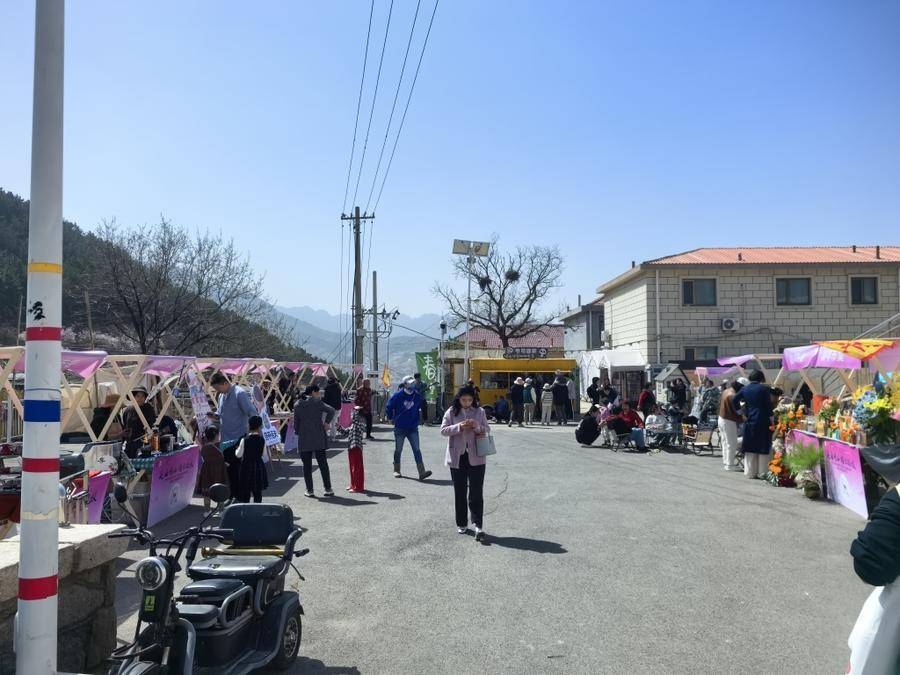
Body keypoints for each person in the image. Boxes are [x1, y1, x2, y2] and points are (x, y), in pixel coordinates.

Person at [440, 386, 490, 541]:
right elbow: (443, 430)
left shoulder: (480, 411)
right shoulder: (451, 412)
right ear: (459, 399)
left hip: (477, 457)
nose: (467, 403)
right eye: (464, 400)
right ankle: (461, 523)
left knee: (476, 492)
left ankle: (478, 524)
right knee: (460, 491)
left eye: (470, 400)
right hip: (457, 457)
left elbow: (487, 429)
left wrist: (477, 426)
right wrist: (459, 427)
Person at [386, 376, 432, 480]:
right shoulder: (397, 395)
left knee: (417, 449)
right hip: (400, 427)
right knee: (398, 449)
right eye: (410, 383)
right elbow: (389, 406)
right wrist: (390, 417)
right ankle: (396, 470)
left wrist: (418, 419)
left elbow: (420, 406)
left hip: (413, 428)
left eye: (413, 383)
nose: (412, 385)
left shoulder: (417, 395)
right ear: (405, 384)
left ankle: (422, 472)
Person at [293, 384, 335, 498]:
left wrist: (299, 432)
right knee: (323, 464)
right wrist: (327, 422)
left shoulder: (297, 405)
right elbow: (331, 410)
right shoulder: (317, 402)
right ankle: (328, 489)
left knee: (307, 466)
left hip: (304, 436)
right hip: (318, 435)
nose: (319, 394)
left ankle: (310, 490)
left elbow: (296, 424)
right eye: (318, 392)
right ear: (312, 392)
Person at [731, 370, 772, 479]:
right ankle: (762, 472)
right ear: (761, 378)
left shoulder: (745, 389)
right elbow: (768, 406)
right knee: (763, 446)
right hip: (763, 420)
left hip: (749, 420)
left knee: (750, 446)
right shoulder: (764, 389)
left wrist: (741, 414)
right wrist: (772, 419)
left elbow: (734, 400)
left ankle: (750, 472)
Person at [236, 416, 268, 503]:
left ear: (249, 425)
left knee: (246, 492)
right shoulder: (262, 440)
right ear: (260, 426)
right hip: (258, 466)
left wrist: (236, 449)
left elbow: (238, 455)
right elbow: (264, 455)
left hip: (246, 466)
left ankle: (246, 509)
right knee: (258, 492)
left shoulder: (244, 440)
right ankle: (257, 509)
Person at [197, 425, 228, 513]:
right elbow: (220, 459)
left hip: (206, 472)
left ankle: (207, 511)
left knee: (206, 493)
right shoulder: (217, 447)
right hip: (217, 472)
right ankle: (221, 510)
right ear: (216, 435)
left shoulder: (204, 447)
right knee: (220, 491)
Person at [121, 386, 157, 457]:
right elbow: (125, 426)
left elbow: (153, 426)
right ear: (133, 397)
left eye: (142, 396)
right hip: (130, 445)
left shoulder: (148, 409)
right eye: (137, 396)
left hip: (145, 444)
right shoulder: (128, 410)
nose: (140, 399)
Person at [718, 378, 745, 471]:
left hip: (721, 418)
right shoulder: (733, 395)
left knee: (725, 442)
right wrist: (743, 414)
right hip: (728, 420)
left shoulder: (726, 391)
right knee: (732, 442)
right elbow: (738, 411)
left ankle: (726, 461)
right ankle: (730, 465)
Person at [346, 406, 366, 493]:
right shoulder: (353, 424)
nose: (352, 413)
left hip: (356, 447)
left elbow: (360, 427)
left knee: (357, 468)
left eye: (354, 412)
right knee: (352, 467)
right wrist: (339, 427)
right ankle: (353, 484)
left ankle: (358, 487)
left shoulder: (360, 423)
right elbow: (346, 432)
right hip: (351, 447)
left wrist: (357, 413)